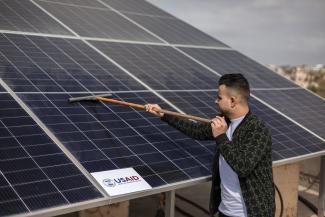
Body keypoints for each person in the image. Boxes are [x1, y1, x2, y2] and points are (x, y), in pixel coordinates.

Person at [145, 73, 275, 217]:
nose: (215, 101)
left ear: (233, 101)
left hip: (251, 213)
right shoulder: (226, 122)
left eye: (219, 98)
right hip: (225, 211)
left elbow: (242, 166)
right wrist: (164, 114)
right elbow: (196, 130)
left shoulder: (257, 129)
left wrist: (220, 136)